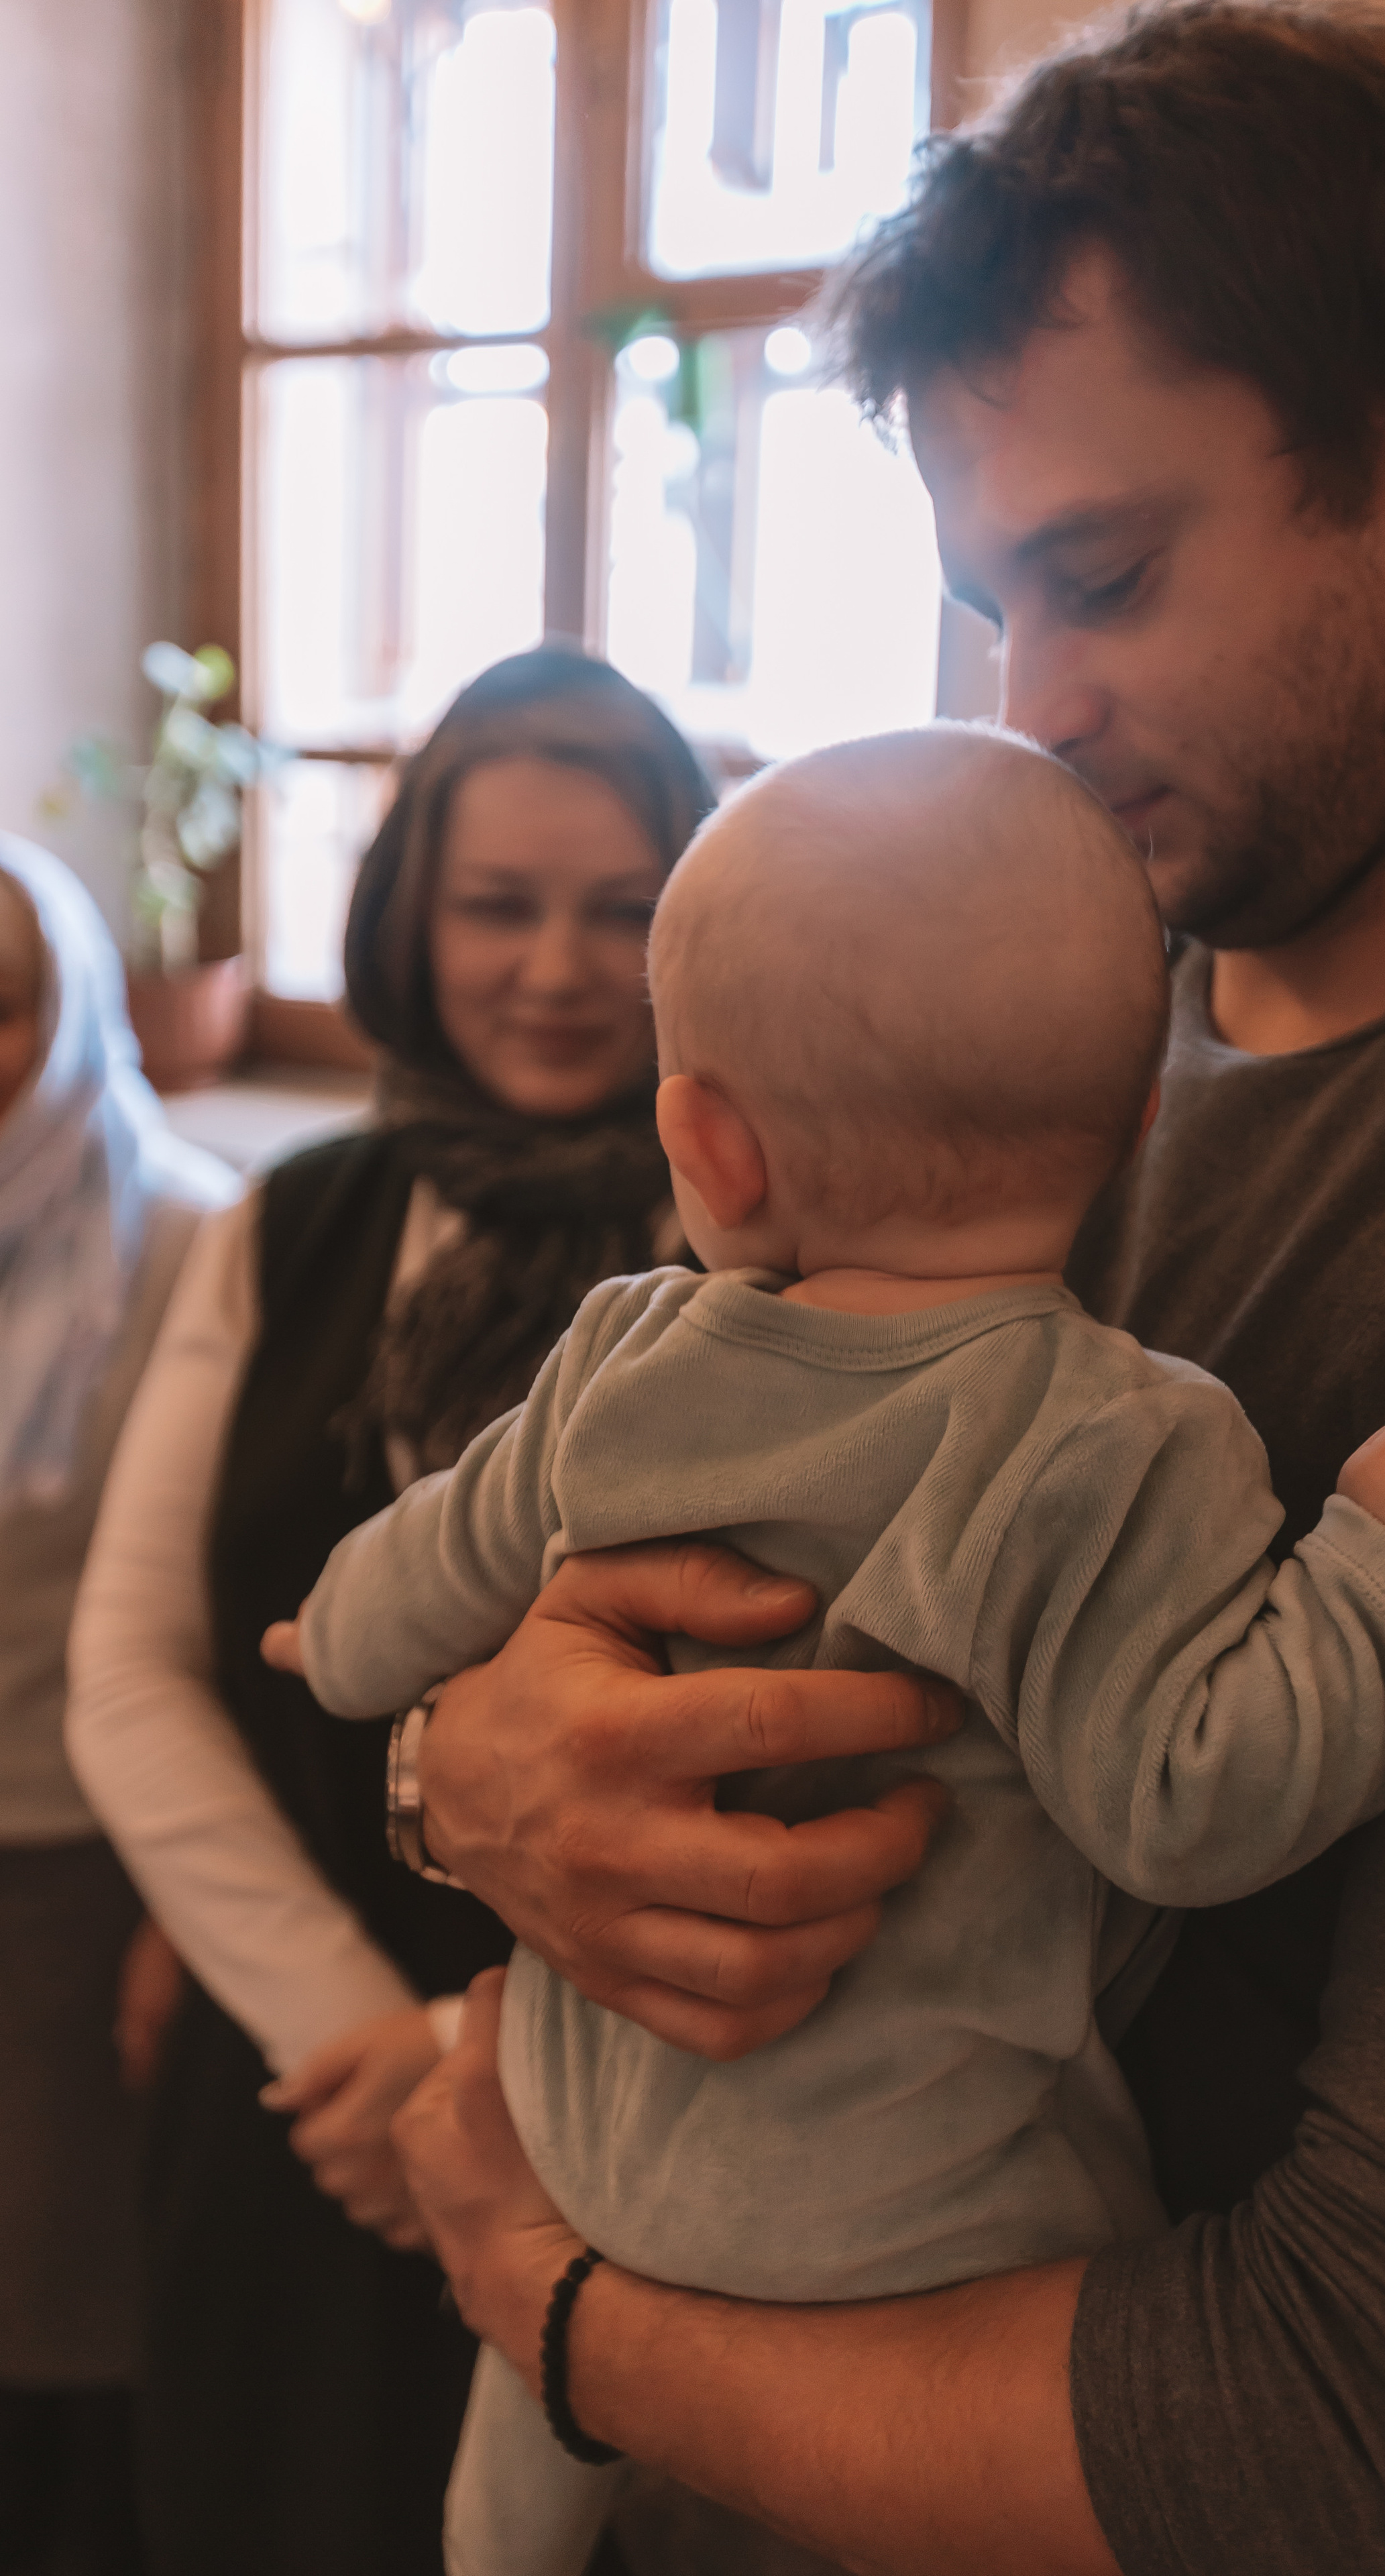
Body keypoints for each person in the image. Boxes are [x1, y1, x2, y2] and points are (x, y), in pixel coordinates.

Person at [376, 9, 1385, 2575]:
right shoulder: (1014, 1040)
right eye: (988, 600)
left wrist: (553, 2305)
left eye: (1101, 578)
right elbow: (570, 1601)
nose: (1033, 703)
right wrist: (479, 1784)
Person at [279, 722, 1385, 2576]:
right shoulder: (1113, 1440)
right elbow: (1190, 1805)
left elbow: (439, 1565)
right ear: (1141, 1123)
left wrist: (330, 1636)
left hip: (575, 2150)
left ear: (703, 1140)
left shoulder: (626, 1350)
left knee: (517, 2467)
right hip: (913, 2230)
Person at [64, 645, 716, 2576]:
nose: (556, 967)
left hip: (640, 2110)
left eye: (624, 913)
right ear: (409, 910)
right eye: (497, 906)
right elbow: (134, 1677)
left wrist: (480, 2054)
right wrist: (367, 2032)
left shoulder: (762, 1252)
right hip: (301, 2092)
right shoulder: (298, 1218)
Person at [0, 838, 234, 2572]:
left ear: (73, 1009)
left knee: (69, 2313)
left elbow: (216, 1617)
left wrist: (174, 1911)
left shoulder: (187, 1242)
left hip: (83, 1860)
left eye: (2, 1012)